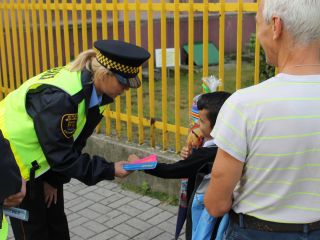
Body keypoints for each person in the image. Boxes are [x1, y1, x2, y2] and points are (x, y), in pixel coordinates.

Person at [0, 39, 150, 240]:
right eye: (123, 83)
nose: (126, 90)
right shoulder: (63, 98)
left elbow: (74, 140)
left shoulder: (98, 92)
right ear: (105, 74)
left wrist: (54, 180)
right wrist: (110, 169)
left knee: (57, 225)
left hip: (44, 157)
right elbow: (62, 156)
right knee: (34, 231)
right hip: (14, 161)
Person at [204, 0, 320, 239]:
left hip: (258, 232)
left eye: (258, 24)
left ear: (276, 26)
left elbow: (216, 204)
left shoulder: (245, 105)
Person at [131, 91, 231, 240]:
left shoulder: (207, 153)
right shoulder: (229, 146)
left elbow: (173, 170)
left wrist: (140, 164)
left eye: (202, 122)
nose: (198, 126)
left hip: (204, 211)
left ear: (217, 125)